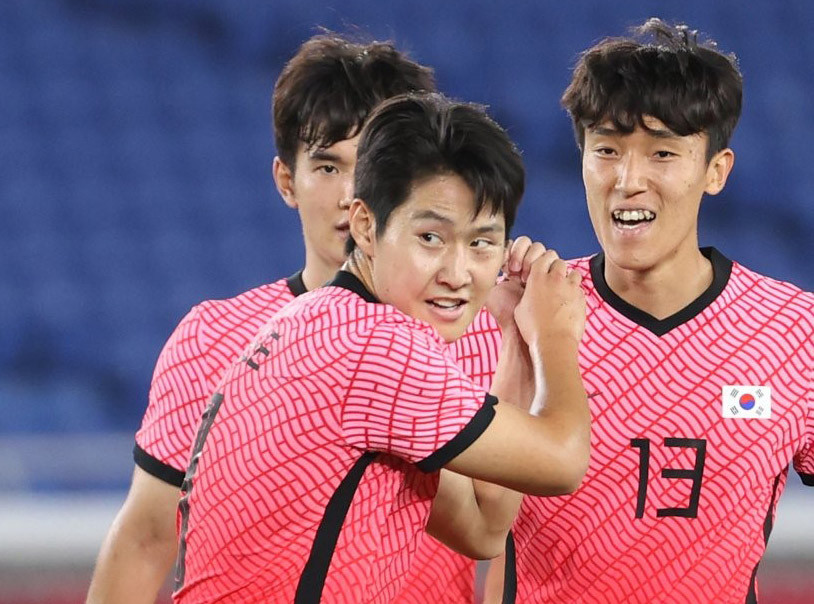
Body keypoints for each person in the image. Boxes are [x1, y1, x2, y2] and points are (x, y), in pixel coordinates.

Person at [86, 34, 483, 604]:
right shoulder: (214, 339)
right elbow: (148, 538)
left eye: (377, 164)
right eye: (327, 166)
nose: (353, 195)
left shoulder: (484, 337)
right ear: (285, 181)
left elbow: (520, 536)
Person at [172, 91, 590, 603]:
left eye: (481, 243)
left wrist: (515, 338)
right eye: (431, 238)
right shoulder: (379, 347)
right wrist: (554, 333)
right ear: (366, 227)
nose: (458, 274)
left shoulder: (318, 323)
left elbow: (482, 528)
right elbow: (564, 462)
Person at [485, 18, 814, 604]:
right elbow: (467, 528)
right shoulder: (516, 314)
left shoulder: (794, 331)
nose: (628, 180)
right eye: (606, 150)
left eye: (662, 153)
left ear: (716, 170)